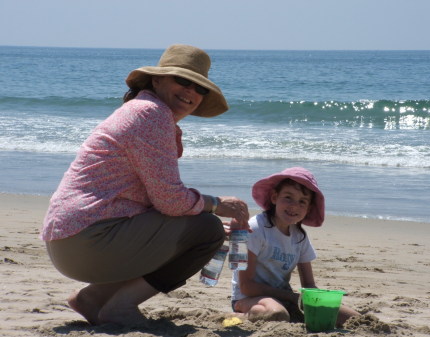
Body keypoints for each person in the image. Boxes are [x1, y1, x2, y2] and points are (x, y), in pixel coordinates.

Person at [40, 44, 250, 326]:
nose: (191, 92)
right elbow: (170, 201)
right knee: (208, 231)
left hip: (71, 238)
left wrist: (196, 216)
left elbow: (159, 201)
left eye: (199, 88)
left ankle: (93, 299)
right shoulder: (151, 114)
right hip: (88, 238)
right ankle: (120, 307)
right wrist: (215, 205)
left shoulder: (143, 111)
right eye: (183, 81)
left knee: (201, 227)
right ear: (157, 80)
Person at [231, 167, 359, 325]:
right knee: (276, 314)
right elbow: (246, 286)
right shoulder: (255, 229)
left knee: (354, 319)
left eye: (302, 202)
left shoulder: (299, 237)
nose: (294, 206)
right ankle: (236, 317)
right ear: (274, 197)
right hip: (249, 299)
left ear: (309, 208)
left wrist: (320, 302)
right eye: (288, 197)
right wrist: (291, 297)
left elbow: (309, 285)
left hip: (284, 299)